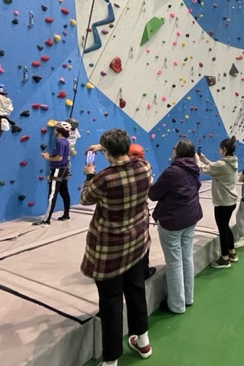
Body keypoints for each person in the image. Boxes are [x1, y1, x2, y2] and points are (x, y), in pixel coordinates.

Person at [80, 129, 153, 365]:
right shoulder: (144, 167)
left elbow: (85, 198)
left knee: (110, 303)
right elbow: (123, 160)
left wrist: (89, 175)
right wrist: (102, 147)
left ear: (108, 153)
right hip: (137, 245)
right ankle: (143, 341)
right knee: (136, 291)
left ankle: (111, 360)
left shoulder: (104, 178)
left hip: (110, 251)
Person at [149, 139, 202, 314]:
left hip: (173, 221)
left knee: (174, 263)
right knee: (186, 257)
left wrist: (149, 183)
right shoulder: (194, 168)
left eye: (174, 148)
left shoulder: (173, 171)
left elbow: (153, 194)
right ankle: (188, 297)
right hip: (191, 218)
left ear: (178, 152)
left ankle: (177, 305)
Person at [197, 136, 239, 268]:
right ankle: (232, 253)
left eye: (220, 149)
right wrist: (204, 159)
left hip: (223, 203)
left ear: (224, 149)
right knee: (226, 227)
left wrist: (197, 161)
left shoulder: (222, 164)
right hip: (231, 201)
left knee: (223, 230)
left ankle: (225, 258)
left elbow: (205, 169)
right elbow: (214, 167)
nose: (219, 151)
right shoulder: (232, 161)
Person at [33, 122, 72, 225]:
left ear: (59, 131)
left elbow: (59, 158)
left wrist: (48, 158)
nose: (54, 131)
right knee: (64, 192)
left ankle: (46, 220)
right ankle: (66, 215)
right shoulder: (66, 141)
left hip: (58, 170)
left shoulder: (60, 142)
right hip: (65, 169)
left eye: (55, 129)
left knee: (52, 195)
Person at [128, 143, 157, 280]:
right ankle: (144, 270)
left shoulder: (121, 173)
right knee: (144, 242)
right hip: (141, 212)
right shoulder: (145, 170)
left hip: (127, 215)